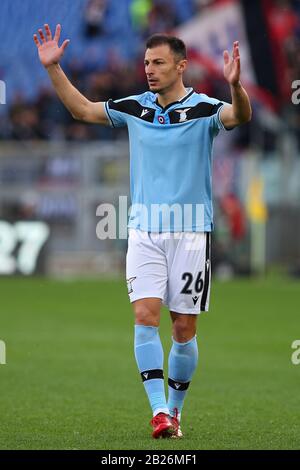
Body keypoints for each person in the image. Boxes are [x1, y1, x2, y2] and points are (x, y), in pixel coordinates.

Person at [33, 24, 251, 439]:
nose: (149, 70)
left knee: (183, 329)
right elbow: (83, 110)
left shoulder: (205, 109)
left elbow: (240, 115)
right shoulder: (135, 107)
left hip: (191, 234)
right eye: (146, 62)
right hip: (143, 232)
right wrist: (54, 68)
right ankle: (158, 413)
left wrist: (236, 86)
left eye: (159, 63)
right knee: (144, 316)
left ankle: (176, 410)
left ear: (181, 65)